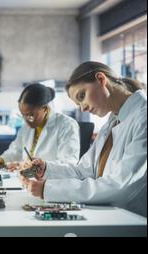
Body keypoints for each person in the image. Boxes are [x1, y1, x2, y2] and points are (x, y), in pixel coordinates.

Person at [21, 61, 147, 217]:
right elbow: (84, 171)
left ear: (101, 79)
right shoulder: (112, 122)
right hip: (109, 215)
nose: (83, 108)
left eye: (82, 96)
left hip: (132, 221)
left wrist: (48, 189)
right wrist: (47, 169)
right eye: (78, 103)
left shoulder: (143, 117)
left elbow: (121, 186)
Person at [0, 83, 80, 171]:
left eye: (30, 115)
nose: (26, 120)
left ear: (44, 108)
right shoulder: (26, 127)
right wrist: (1, 160)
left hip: (51, 183)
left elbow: (69, 164)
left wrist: (44, 166)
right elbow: (16, 151)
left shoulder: (67, 125)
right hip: (28, 180)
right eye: (23, 115)